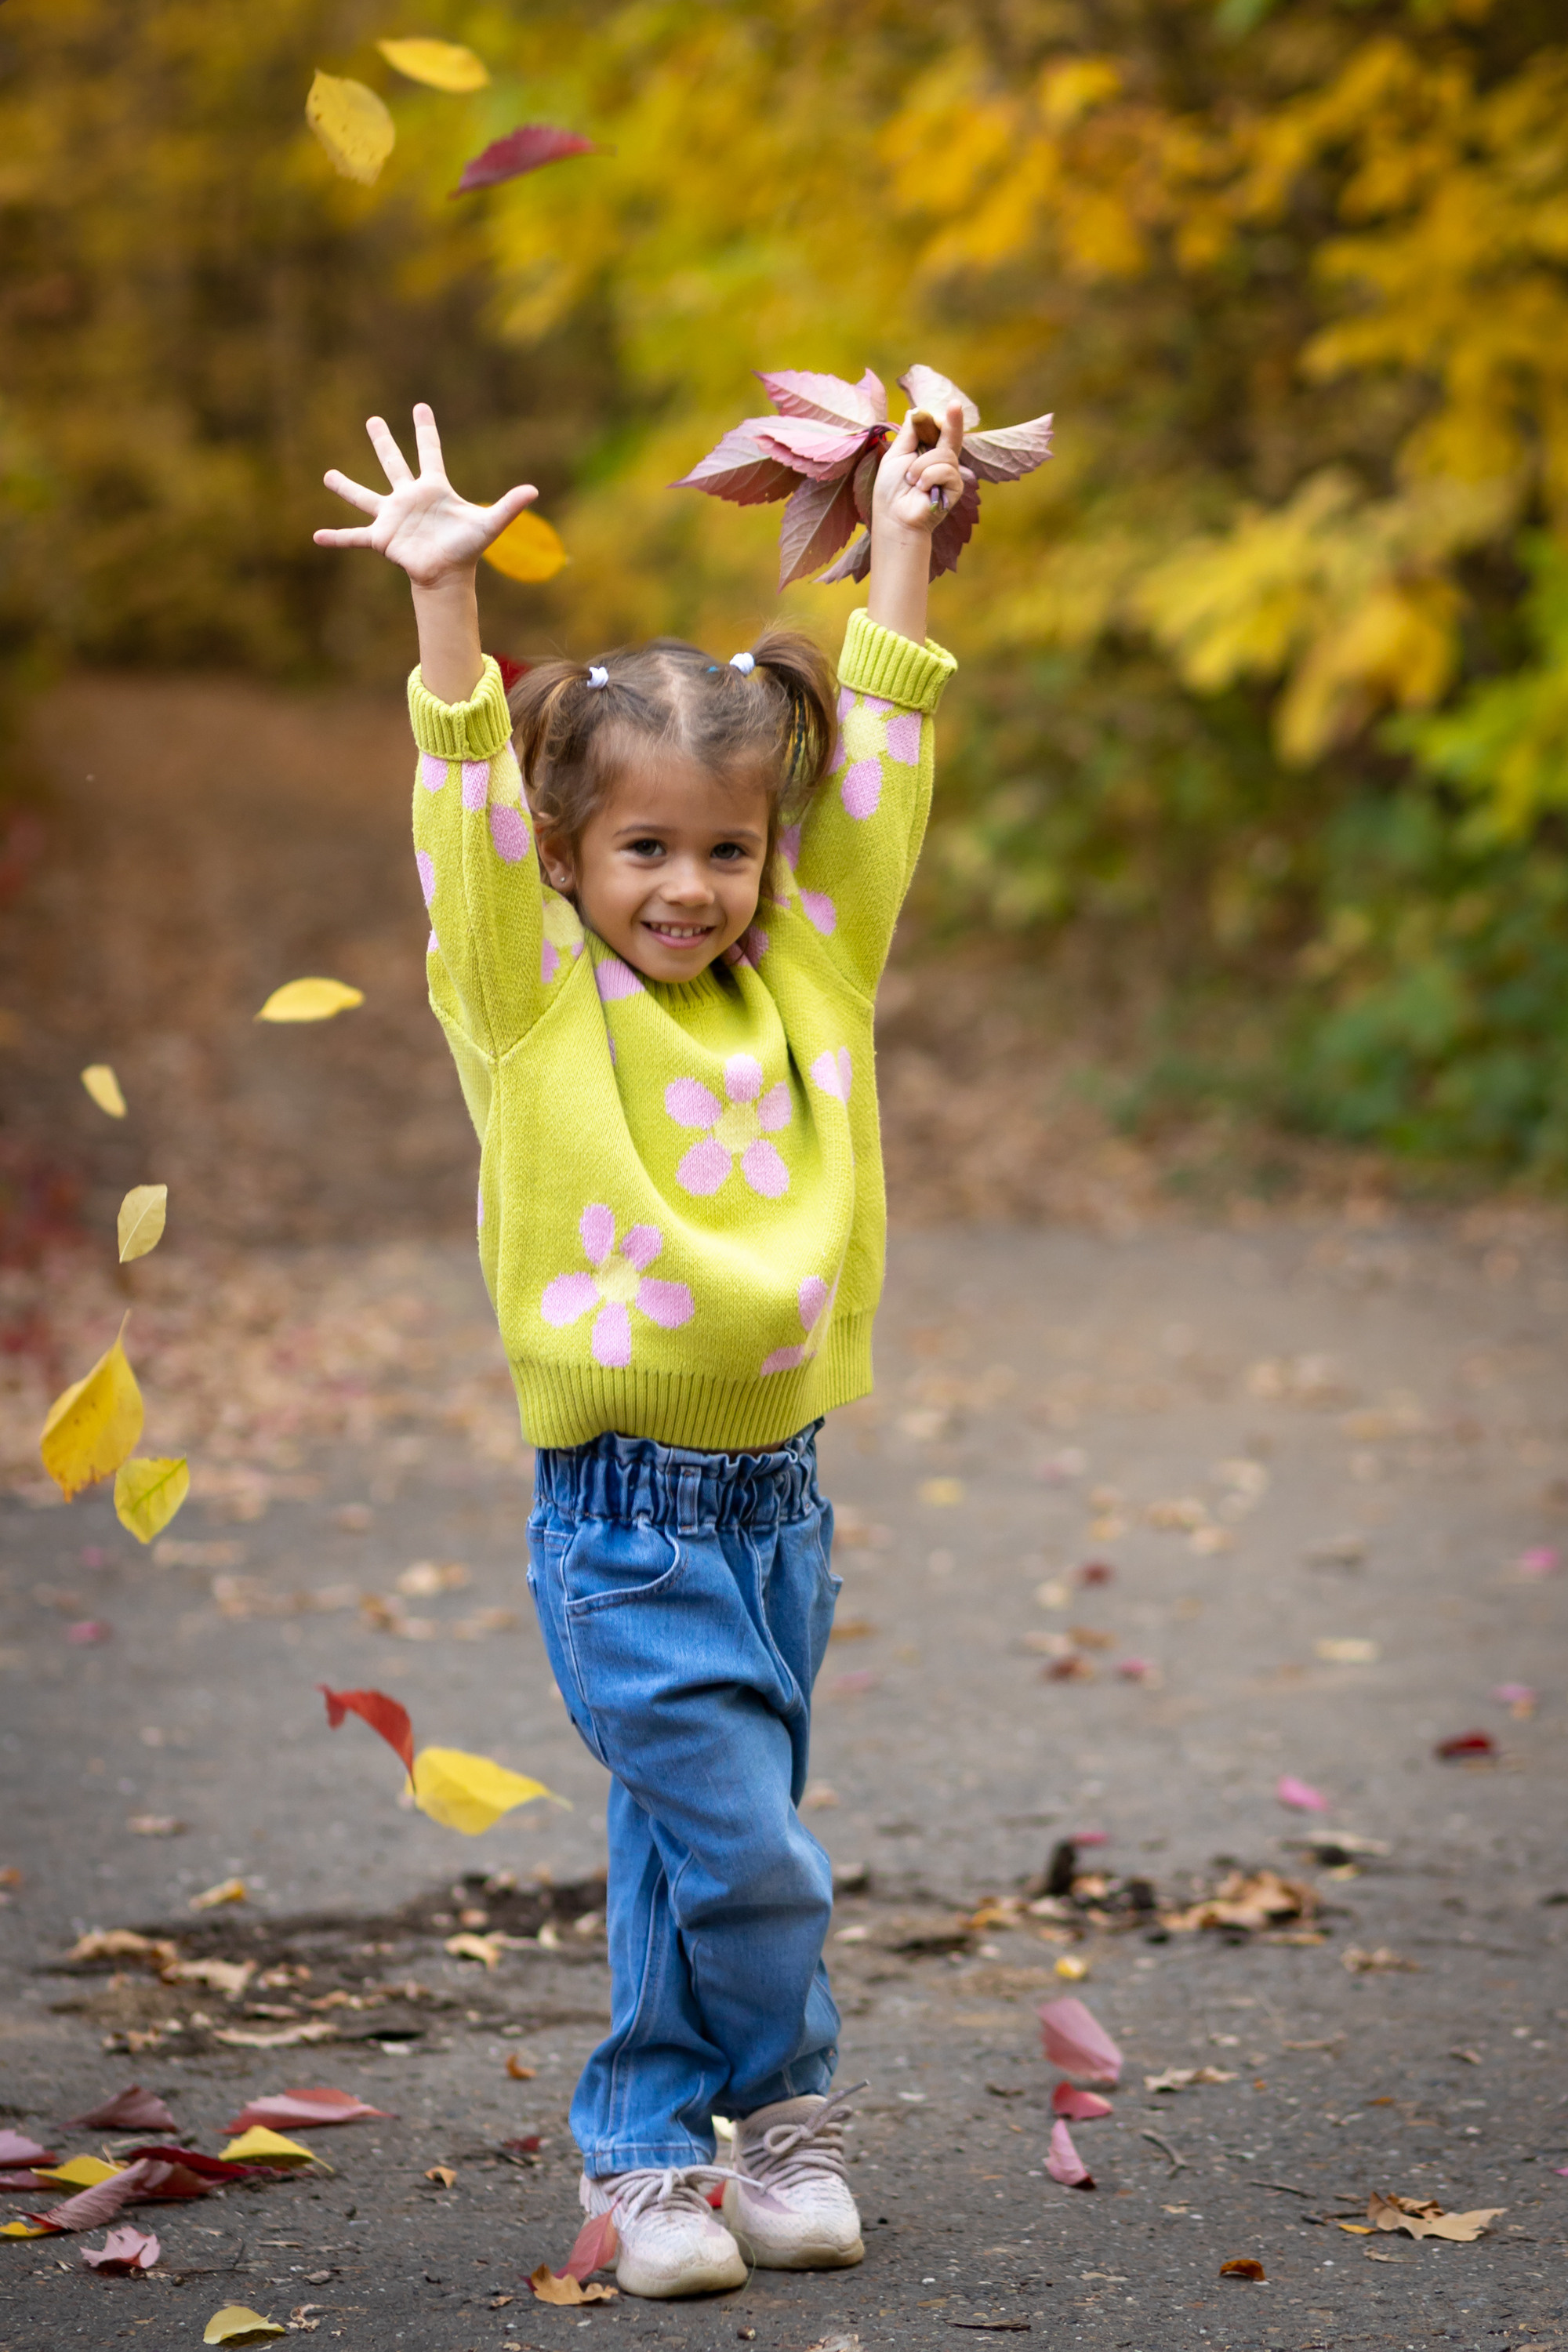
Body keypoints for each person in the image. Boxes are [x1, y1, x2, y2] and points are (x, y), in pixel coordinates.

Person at [314, 395, 965, 2299]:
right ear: (569, 852)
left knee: (694, 1847)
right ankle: (772, 2107)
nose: (690, 886)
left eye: (728, 849)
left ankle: (669, 2166)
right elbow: (460, 839)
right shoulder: (531, 1003)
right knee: (754, 1855)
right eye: (646, 848)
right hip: (625, 1521)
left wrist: (899, 545)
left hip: (780, 1513)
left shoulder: (809, 972)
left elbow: (884, 787)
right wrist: (447, 619)